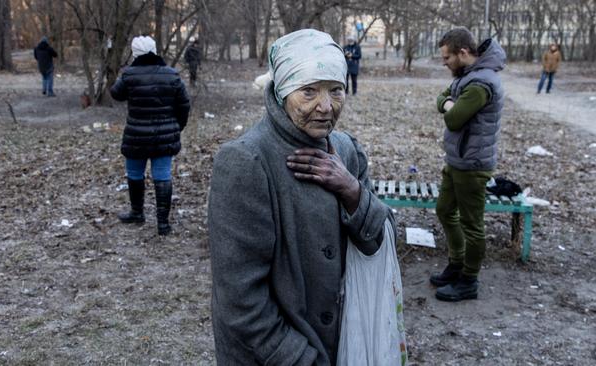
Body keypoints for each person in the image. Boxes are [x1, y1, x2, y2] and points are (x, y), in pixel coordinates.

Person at [208, 29, 394, 365]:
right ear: (282, 92)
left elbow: (380, 243)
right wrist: (301, 359)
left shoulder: (347, 151)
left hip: (340, 342)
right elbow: (240, 299)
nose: (325, 107)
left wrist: (351, 190)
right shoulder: (247, 161)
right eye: (308, 92)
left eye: (336, 91)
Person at [432, 27, 506, 302]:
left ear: (463, 53)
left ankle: (469, 280)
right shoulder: (466, 76)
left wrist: (450, 105)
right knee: (444, 210)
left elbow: (453, 119)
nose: (445, 63)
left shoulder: (480, 84)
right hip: (458, 159)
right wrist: (449, 103)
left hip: (472, 164)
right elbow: (442, 98)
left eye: (447, 58)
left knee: (472, 224)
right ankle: (457, 262)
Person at [110, 36, 191, 235]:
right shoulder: (171, 74)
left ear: (135, 52)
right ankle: (162, 224)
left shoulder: (129, 75)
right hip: (164, 136)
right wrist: (176, 127)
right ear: (155, 51)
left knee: (135, 174)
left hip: (136, 135)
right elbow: (184, 104)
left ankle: (137, 213)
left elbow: (115, 94)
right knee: (162, 176)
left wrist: (123, 74)